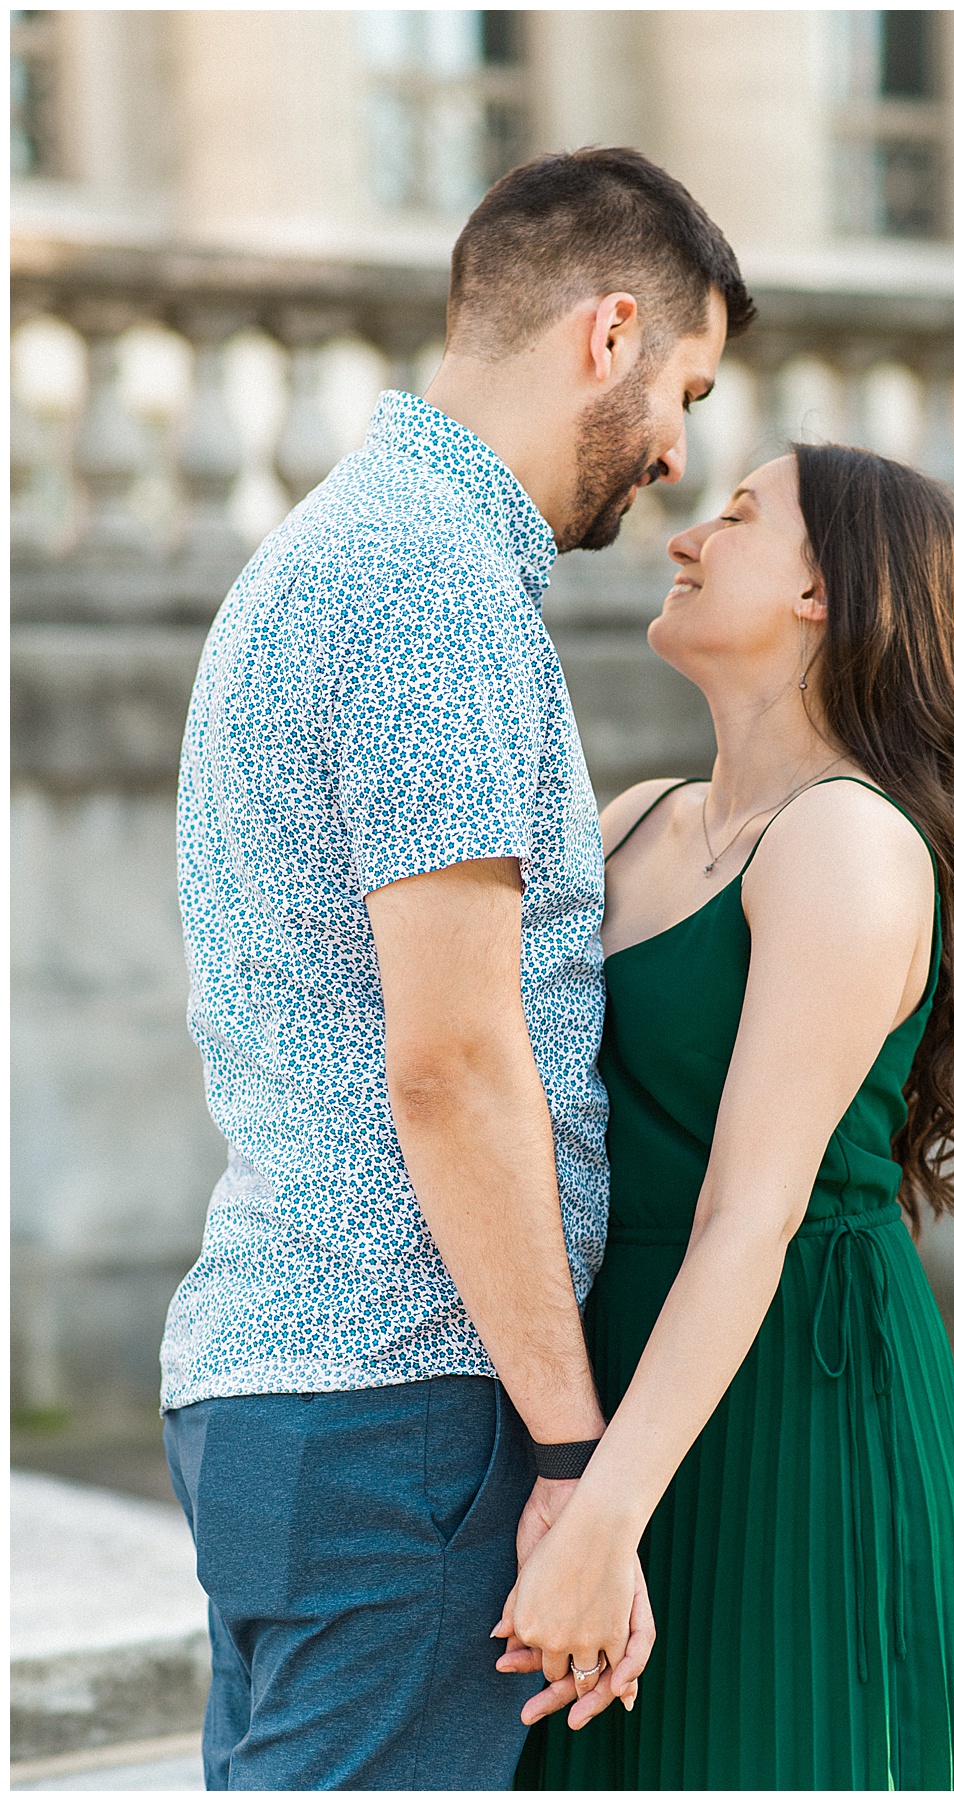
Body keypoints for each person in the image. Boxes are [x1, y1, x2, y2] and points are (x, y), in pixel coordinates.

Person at [160, 147, 750, 1787]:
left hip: (310, 1388)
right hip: (403, 1400)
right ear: (608, 329)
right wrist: (570, 1446)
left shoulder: (353, 549)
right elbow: (455, 1060)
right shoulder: (427, 583)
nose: (679, 451)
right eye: (683, 388)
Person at [503, 442, 954, 1789]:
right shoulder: (631, 821)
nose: (684, 537)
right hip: (615, 1376)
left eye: (736, 517)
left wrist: (605, 1519)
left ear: (827, 596)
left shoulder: (849, 842)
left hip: (795, 1389)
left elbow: (752, 1212)